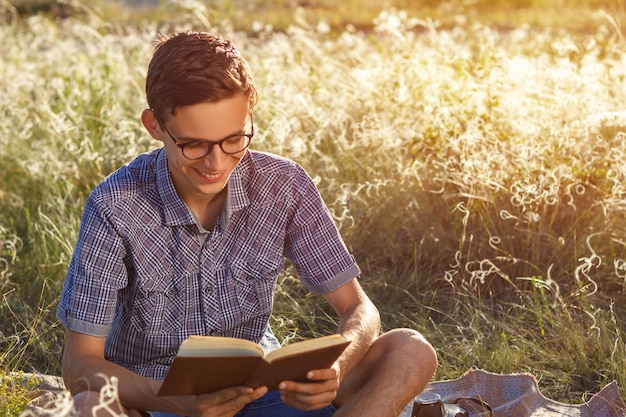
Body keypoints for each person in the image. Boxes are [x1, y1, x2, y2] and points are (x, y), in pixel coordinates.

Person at [56, 31, 437, 417]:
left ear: (249, 114)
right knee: (89, 407)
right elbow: (79, 365)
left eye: (234, 139)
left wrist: (337, 367)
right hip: (160, 400)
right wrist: (172, 399)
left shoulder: (284, 184)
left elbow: (358, 308)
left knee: (410, 349)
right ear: (154, 126)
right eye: (194, 145)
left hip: (265, 394)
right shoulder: (114, 205)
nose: (216, 164)